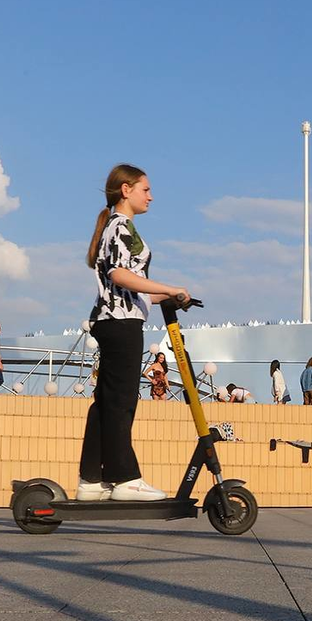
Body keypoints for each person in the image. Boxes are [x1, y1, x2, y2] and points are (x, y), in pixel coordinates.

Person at [77, 163, 191, 502]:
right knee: (121, 401)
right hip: (120, 322)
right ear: (126, 190)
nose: (151, 197)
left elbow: (130, 288)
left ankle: (91, 480)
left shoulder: (116, 226)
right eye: (146, 189)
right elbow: (119, 275)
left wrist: (166, 296)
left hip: (115, 318)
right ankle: (125, 478)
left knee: (106, 402)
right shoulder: (120, 226)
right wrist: (168, 287)